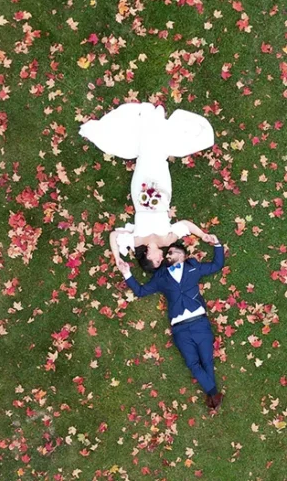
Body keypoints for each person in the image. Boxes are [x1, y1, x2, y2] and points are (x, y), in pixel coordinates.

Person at [111, 232, 226, 411]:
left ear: (184, 255)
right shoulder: (161, 277)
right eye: (168, 253)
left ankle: (213, 396)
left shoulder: (194, 268)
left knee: (207, 361)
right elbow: (141, 291)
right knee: (193, 364)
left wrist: (216, 243)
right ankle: (213, 393)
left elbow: (217, 264)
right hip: (180, 330)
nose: (168, 254)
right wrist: (127, 273)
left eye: (172, 251)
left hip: (199, 324)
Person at [80, 102, 214, 246]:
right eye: (159, 261)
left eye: (156, 261)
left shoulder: (137, 241)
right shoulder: (167, 241)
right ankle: (155, 127)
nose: (160, 259)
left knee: (144, 160)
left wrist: (118, 259)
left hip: (140, 192)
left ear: (148, 258)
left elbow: (114, 236)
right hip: (163, 189)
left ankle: (149, 126)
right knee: (160, 162)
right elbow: (185, 225)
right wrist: (202, 235)